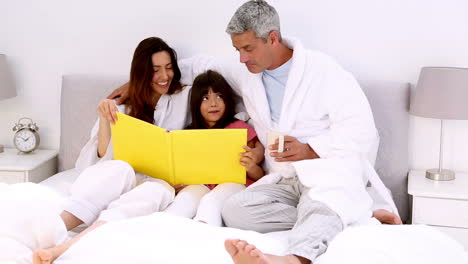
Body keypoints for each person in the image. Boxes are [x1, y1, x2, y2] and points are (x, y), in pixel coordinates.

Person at [107, 2, 402, 263]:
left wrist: (311, 148)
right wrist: (138, 83)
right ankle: (346, 213)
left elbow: (362, 131)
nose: (241, 58)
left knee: (324, 198)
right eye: (237, 49)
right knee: (235, 210)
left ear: (272, 38)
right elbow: (197, 66)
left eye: (248, 48)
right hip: (284, 179)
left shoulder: (324, 72)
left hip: (327, 170)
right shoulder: (248, 73)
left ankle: (292, 258)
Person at [32, 37, 209, 264]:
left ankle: (65, 247)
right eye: (155, 70)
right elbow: (94, 162)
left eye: (169, 68)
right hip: (113, 178)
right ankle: (54, 229)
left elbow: (213, 76)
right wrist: (104, 118)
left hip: (156, 182)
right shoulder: (120, 106)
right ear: (142, 73)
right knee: (121, 168)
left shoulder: (184, 97)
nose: (165, 76)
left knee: (158, 190)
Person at [185, 70, 265, 226]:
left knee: (210, 202)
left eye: (219, 96)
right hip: (202, 185)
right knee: (184, 201)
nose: (213, 103)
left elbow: (259, 176)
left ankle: (204, 235)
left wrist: (251, 166)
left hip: (234, 184)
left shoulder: (239, 129)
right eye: (205, 98)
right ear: (196, 103)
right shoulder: (189, 134)